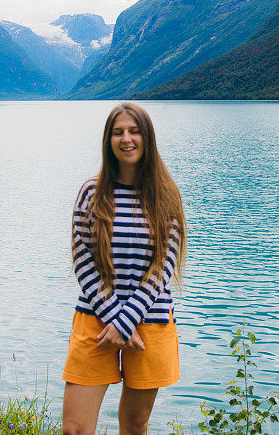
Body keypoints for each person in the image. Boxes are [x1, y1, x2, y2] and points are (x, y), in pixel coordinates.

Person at [62, 103, 187, 435]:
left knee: (134, 425)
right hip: (95, 319)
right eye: (118, 132)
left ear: (147, 139)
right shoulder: (91, 193)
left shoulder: (166, 196)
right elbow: (83, 261)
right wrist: (115, 318)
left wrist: (127, 319)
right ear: (108, 140)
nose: (127, 139)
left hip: (150, 321)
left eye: (135, 132)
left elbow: (163, 267)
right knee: (74, 428)